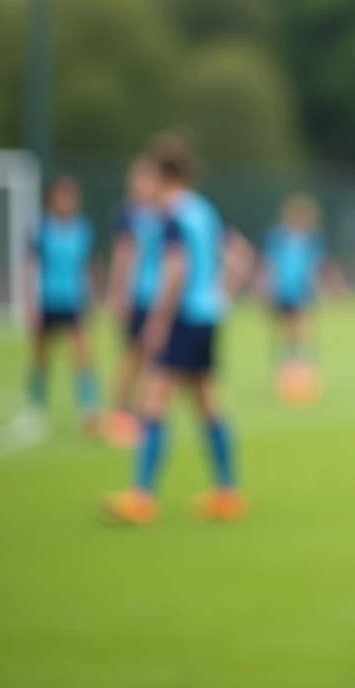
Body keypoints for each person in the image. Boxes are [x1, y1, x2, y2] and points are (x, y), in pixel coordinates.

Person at [102, 134, 245, 525]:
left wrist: (158, 320)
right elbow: (234, 256)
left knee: (152, 399)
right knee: (206, 402)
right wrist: (221, 293)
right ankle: (227, 492)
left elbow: (176, 268)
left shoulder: (171, 212)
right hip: (208, 315)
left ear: (164, 174)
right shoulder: (203, 209)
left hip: (183, 317)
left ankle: (141, 498)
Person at [24, 175, 101, 435]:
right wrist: (30, 303)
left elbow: (89, 265)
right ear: (52, 199)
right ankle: (36, 407)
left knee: (82, 355)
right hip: (47, 300)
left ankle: (89, 408)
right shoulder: (41, 229)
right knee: (41, 358)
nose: (66, 201)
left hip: (74, 301)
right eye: (61, 196)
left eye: (70, 196)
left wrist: (94, 297)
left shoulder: (83, 229)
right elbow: (30, 267)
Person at [103, 156, 164, 448]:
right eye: (140, 177)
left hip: (161, 299)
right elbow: (122, 256)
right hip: (137, 296)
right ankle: (119, 413)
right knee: (131, 356)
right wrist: (117, 295)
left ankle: (141, 417)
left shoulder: (165, 212)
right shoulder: (128, 214)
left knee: (154, 361)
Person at [259, 193, 346, 371]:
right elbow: (267, 265)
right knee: (285, 327)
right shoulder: (276, 237)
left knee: (301, 325)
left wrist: (333, 289)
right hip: (282, 289)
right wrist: (264, 289)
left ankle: (302, 361)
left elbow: (322, 265)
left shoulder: (313, 239)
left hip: (303, 289)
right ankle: (286, 362)